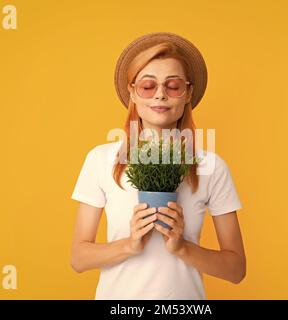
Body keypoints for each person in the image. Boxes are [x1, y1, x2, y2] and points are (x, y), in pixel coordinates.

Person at [70, 32, 246, 299]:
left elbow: (236, 270)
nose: (160, 95)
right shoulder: (101, 159)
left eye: (173, 86)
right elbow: (79, 258)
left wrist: (182, 248)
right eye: (148, 86)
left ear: (187, 93)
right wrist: (129, 245)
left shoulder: (211, 167)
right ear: (133, 93)